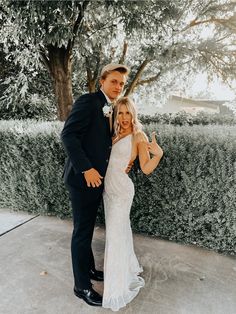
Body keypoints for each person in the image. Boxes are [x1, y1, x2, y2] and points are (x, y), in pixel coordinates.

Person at [61, 63, 130, 307]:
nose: (118, 87)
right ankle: (81, 287)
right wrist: (87, 168)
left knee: (87, 229)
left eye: (121, 84)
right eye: (114, 81)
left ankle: (89, 269)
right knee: (81, 233)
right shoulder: (89, 101)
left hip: (97, 181)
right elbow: (68, 135)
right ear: (102, 81)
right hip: (82, 180)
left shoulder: (110, 108)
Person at [102, 97, 163, 311]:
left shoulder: (139, 135)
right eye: (121, 113)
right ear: (116, 114)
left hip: (122, 191)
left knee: (115, 236)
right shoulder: (114, 133)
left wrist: (159, 154)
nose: (125, 117)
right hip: (108, 191)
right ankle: (127, 267)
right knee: (119, 232)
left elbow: (146, 168)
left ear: (133, 114)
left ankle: (116, 288)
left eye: (128, 113)